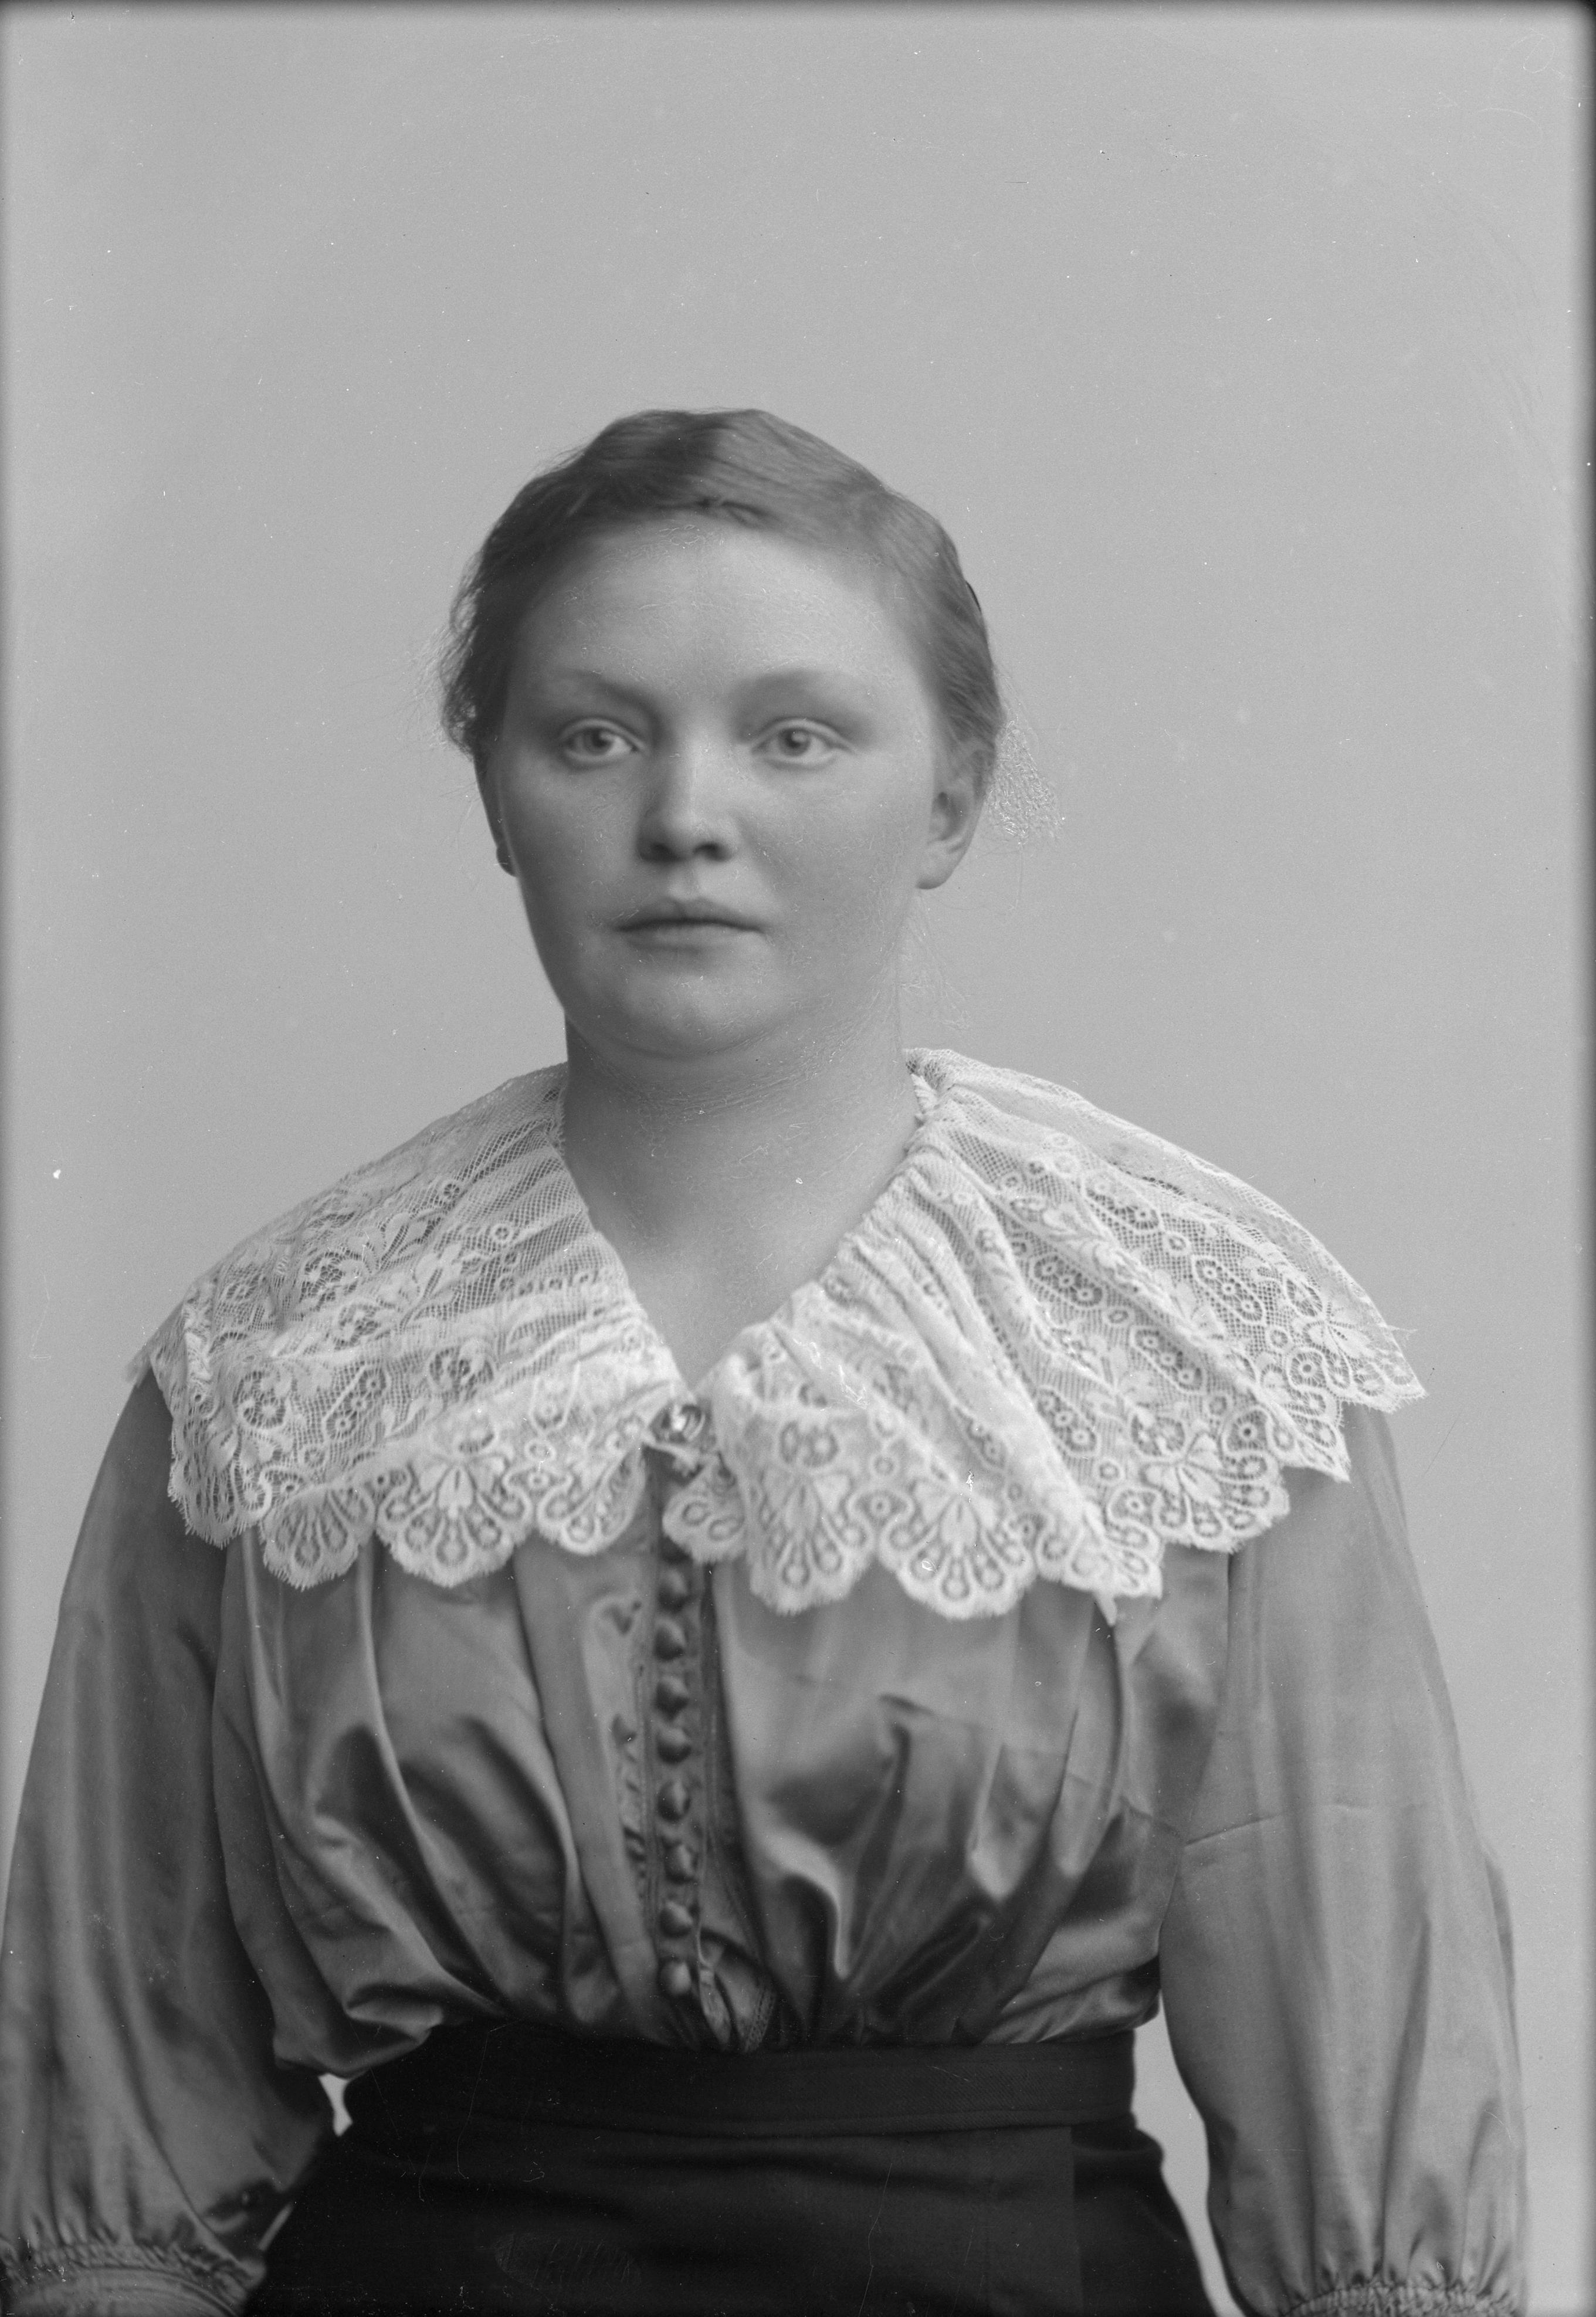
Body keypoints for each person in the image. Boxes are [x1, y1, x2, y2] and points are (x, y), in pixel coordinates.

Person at [0, 410, 1525, 2317]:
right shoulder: (274, 1367)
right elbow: (127, 2131)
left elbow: (1360, 2054)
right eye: (594, 735)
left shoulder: (1196, 1345)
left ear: (949, 799)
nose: (684, 817)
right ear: (494, 794)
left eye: (795, 736)